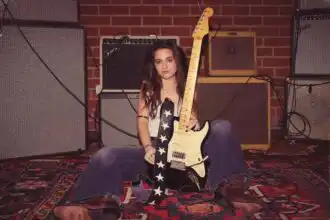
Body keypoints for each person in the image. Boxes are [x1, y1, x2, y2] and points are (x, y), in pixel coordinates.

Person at [52, 40, 263, 219]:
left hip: (190, 155)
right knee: (107, 154)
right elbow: (142, 122)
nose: (164, 66)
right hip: (156, 153)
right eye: (159, 61)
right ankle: (92, 202)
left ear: (177, 62)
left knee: (222, 127)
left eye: (169, 60)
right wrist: (147, 148)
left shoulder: (189, 89)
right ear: (153, 65)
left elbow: (194, 121)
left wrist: (192, 122)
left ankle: (231, 189)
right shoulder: (148, 89)